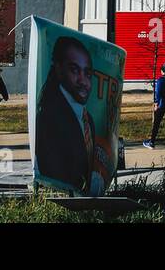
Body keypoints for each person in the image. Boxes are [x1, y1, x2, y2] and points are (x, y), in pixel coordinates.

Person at [36, 35, 112, 195]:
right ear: (58, 68)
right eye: (74, 70)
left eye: (87, 73)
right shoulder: (51, 117)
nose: (83, 81)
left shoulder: (87, 118)